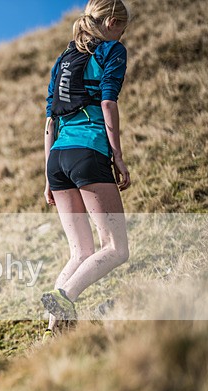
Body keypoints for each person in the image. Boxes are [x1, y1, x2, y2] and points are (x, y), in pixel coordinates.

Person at [42, 0, 131, 334]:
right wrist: (118, 155)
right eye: (123, 26)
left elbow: (49, 120)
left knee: (80, 251)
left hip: (57, 159)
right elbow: (108, 102)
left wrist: (47, 176)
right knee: (115, 248)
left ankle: (56, 332)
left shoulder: (63, 59)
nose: (124, 33)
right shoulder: (112, 50)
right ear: (111, 22)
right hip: (88, 151)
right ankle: (64, 295)